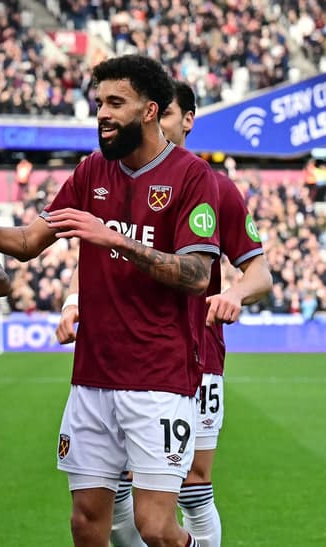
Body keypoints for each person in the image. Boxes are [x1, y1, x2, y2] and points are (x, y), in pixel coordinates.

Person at [0, 55, 221, 547]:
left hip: (159, 379)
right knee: (85, 521)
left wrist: (116, 240)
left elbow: (196, 275)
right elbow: (25, 243)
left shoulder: (192, 177)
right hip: (93, 378)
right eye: (99, 102)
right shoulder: (90, 172)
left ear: (149, 110)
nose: (102, 113)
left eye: (115, 103)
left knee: (158, 529)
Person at [56, 80, 272, 547]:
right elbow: (97, 259)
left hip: (195, 354)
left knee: (191, 486)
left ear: (185, 119)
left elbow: (260, 273)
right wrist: (75, 302)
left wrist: (235, 291)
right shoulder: (110, 173)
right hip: (121, 359)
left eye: (168, 116)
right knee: (112, 494)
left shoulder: (214, 186)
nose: (157, 127)